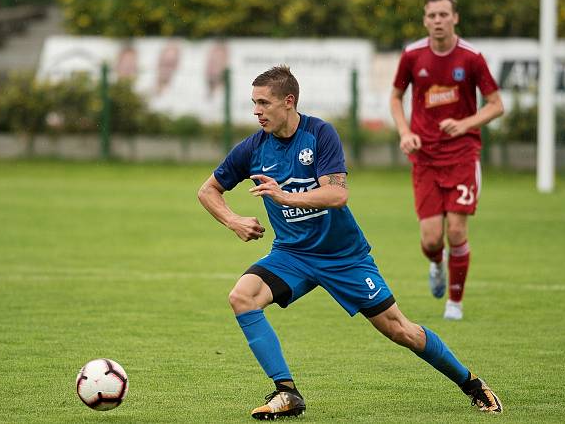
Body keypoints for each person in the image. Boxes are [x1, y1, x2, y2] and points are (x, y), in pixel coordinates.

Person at [198, 66, 502, 420]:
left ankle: (471, 383)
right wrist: (233, 220)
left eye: (264, 103)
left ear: (288, 101)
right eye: (253, 103)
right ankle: (287, 393)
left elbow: (337, 195)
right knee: (242, 297)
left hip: (343, 257)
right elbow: (208, 191)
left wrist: (286, 198)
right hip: (292, 255)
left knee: (400, 329)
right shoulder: (253, 148)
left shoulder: (319, 134)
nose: (256, 111)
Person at [390, 0, 504, 320]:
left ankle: (455, 303)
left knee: (456, 231)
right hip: (424, 157)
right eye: (432, 16)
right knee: (430, 239)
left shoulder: (471, 57)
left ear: (455, 18)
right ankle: (436, 263)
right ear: (425, 20)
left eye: (444, 15)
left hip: (462, 155)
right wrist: (405, 132)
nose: (438, 21)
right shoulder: (412, 55)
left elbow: (497, 105)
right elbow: (396, 98)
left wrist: (465, 124)